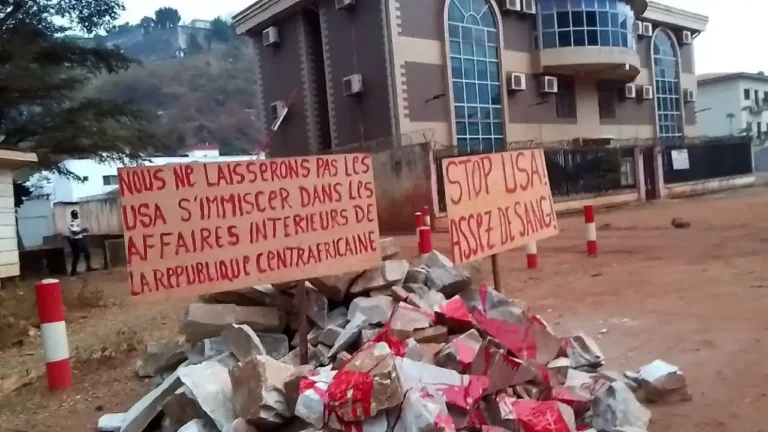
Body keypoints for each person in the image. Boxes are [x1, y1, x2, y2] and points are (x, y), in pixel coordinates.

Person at [68, 209, 96, 276]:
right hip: (74, 240)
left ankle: (89, 267)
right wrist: (82, 231)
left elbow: (79, 232)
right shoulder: (71, 224)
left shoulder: (77, 222)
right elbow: (74, 233)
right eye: (75, 215)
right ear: (72, 216)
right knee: (76, 256)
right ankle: (73, 271)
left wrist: (84, 231)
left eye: (77, 214)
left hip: (80, 239)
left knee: (87, 252)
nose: (76, 216)